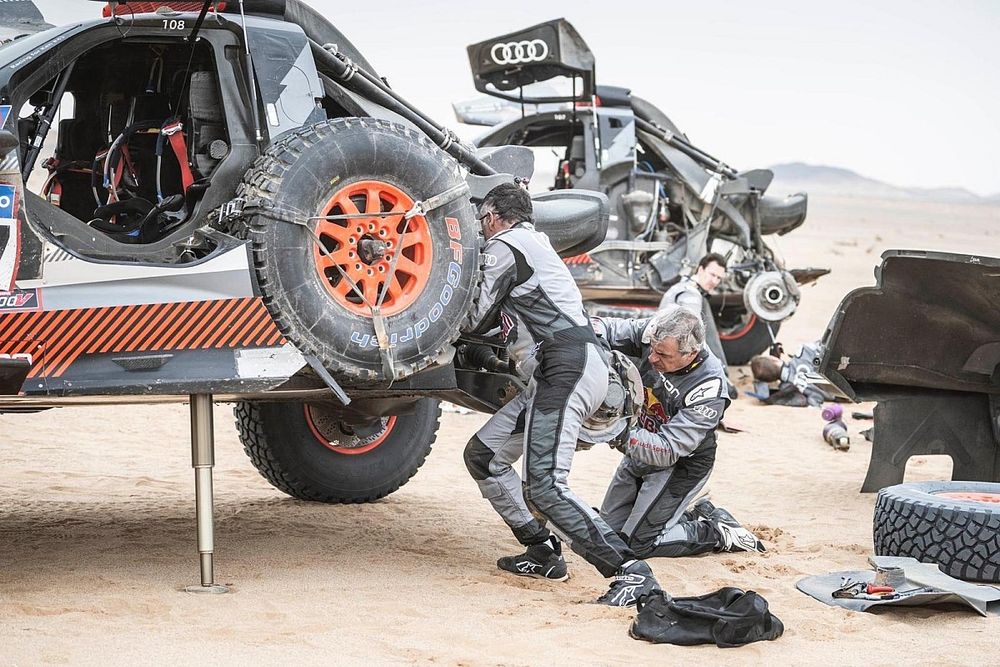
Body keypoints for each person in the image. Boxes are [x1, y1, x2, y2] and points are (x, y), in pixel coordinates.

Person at [462, 182, 660, 606]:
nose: (480, 229)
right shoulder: (533, 245)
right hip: (565, 367)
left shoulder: (506, 246)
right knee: (484, 455)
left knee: (546, 486)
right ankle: (542, 551)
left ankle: (630, 571)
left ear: (494, 217)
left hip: (565, 367)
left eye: (481, 221)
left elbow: (475, 317)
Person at [592, 306, 766, 558]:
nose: (651, 358)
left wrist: (616, 432)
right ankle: (692, 511)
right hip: (640, 445)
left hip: (680, 464)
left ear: (691, 354)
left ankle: (715, 532)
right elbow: (603, 326)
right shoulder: (654, 334)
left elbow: (667, 450)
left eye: (662, 354)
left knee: (637, 545)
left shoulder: (709, 387)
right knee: (607, 533)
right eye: (652, 349)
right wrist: (589, 339)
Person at [659, 253, 730, 376]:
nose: (714, 281)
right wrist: (716, 367)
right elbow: (692, 336)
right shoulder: (691, 294)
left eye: (719, 278)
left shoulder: (682, 286)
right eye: (712, 274)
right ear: (700, 269)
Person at [749, 341, 833, 407]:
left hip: (839, 392)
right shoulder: (803, 351)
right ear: (774, 359)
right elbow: (827, 344)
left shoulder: (788, 388)